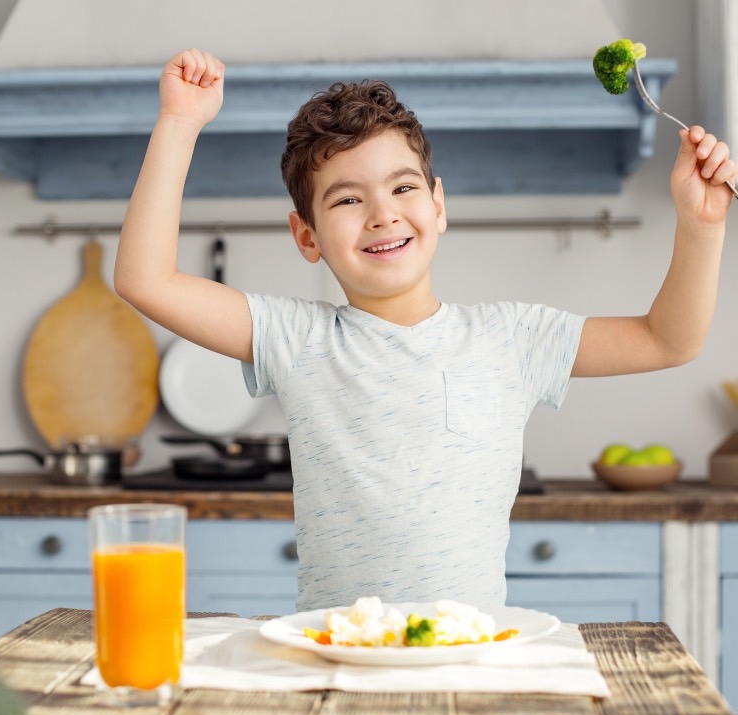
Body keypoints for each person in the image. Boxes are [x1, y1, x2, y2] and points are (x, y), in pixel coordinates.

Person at [115, 49, 735, 612]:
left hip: (470, 659)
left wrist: (702, 227)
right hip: (337, 658)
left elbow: (667, 339)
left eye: (403, 187)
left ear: (437, 206)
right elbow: (145, 279)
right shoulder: (296, 338)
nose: (383, 212)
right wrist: (180, 122)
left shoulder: (513, 338)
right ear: (307, 236)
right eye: (346, 200)